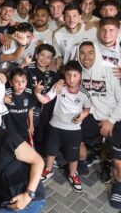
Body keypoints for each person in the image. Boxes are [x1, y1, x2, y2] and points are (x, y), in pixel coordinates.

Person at [76, 41, 121, 209]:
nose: (86, 57)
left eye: (90, 52)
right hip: (93, 116)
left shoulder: (111, 70)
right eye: (82, 53)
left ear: (97, 53)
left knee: (119, 163)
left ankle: (117, 187)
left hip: (116, 118)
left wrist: (111, 120)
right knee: (72, 132)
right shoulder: (79, 72)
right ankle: (82, 161)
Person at [0, 100, 46, 212]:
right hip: (4, 194)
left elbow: (38, 161)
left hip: (28, 198)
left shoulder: (7, 138)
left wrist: (28, 195)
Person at [34, 60, 90, 193]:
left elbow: (87, 109)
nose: (71, 79)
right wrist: (37, 93)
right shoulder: (59, 87)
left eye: (75, 75)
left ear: (80, 76)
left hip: (73, 129)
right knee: (51, 150)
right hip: (55, 126)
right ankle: (48, 170)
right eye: (68, 75)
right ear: (64, 75)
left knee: (73, 155)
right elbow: (45, 99)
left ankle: (72, 174)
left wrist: (83, 115)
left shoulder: (84, 93)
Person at [3, 68, 35, 142]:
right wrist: (2, 100)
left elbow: (30, 108)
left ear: (26, 82)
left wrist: (31, 125)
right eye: (16, 82)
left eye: (23, 81)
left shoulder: (28, 92)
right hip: (9, 130)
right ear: (11, 83)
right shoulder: (6, 93)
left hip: (23, 129)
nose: (20, 85)